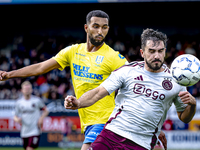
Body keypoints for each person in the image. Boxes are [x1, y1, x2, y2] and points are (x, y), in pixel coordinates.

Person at [0, 10, 166, 149]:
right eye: (95, 26)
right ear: (86, 28)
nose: (100, 31)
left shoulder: (113, 57)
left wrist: (150, 123)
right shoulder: (73, 52)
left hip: (107, 121)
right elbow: (41, 67)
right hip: (88, 122)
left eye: (104, 27)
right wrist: (9, 74)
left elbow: (138, 83)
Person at [64, 28, 196, 150]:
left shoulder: (176, 81)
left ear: (164, 52)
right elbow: (98, 92)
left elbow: (184, 117)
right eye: (151, 51)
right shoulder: (127, 72)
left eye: (160, 51)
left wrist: (192, 105)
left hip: (141, 143)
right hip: (111, 134)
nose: (156, 56)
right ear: (142, 53)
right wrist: (79, 103)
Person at [14, 81, 49, 150]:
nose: (27, 90)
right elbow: (15, 116)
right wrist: (17, 119)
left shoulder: (37, 101)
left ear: (31, 90)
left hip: (35, 130)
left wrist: (41, 118)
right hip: (24, 131)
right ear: (22, 90)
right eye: (25, 89)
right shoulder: (19, 102)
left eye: (28, 89)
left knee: (29, 148)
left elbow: (46, 110)